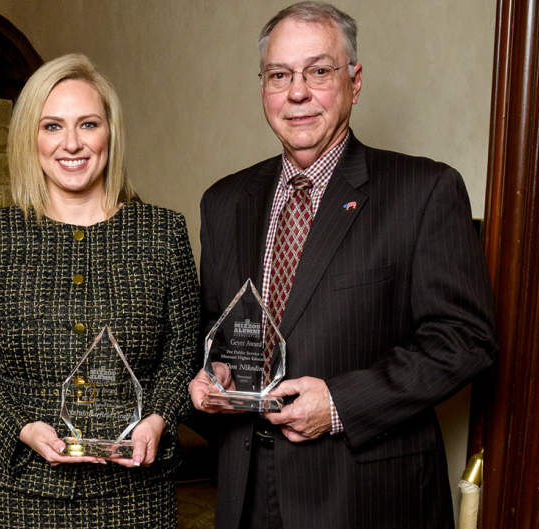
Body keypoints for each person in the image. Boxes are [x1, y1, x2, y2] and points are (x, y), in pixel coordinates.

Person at [188, 3, 497, 528]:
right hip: (243, 492)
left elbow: (465, 339)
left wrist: (337, 404)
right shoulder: (224, 202)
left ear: (355, 82)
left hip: (362, 496)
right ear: (263, 86)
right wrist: (211, 376)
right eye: (279, 74)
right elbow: (220, 326)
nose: (297, 92)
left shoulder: (423, 191)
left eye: (319, 71)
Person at [0, 54, 200, 528]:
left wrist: (159, 418)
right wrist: (19, 427)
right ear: (31, 137)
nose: (71, 144)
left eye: (87, 124)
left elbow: (183, 352)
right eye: (52, 127)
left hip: (135, 491)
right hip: (23, 490)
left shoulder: (162, 233)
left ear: (110, 133)